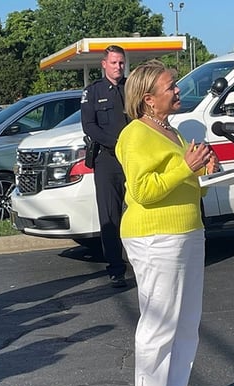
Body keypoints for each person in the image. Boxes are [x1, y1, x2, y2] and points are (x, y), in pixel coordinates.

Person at [115, 60, 216, 386]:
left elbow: (187, 186)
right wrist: (185, 167)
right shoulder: (135, 135)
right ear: (148, 99)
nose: (178, 91)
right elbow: (143, 191)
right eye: (170, 87)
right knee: (159, 324)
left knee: (187, 321)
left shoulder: (169, 131)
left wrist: (203, 170)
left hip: (188, 231)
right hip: (155, 238)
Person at [80, 45, 129, 288]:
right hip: (107, 160)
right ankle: (116, 269)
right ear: (104, 64)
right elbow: (89, 125)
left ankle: (140, 263)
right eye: (114, 63)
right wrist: (117, 143)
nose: (118, 67)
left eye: (121, 63)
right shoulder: (93, 91)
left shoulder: (132, 88)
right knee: (110, 215)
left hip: (132, 159)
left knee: (137, 211)